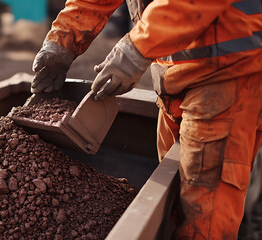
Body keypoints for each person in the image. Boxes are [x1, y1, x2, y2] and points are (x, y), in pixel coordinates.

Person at [30, 0, 262, 239]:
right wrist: (62, 40)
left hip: (228, 74)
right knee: (173, 197)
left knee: (204, 217)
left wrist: (137, 48)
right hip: (173, 76)